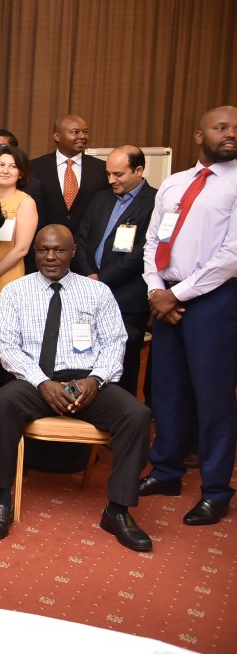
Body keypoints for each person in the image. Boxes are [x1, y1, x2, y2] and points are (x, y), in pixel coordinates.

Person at [0, 225, 153, 550]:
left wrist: (96, 380)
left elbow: (115, 342)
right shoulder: (16, 292)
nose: (50, 256)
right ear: (34, 252)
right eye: (43, 250)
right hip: (34, 380)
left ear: (73, 252)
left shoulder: (97, 293)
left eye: (58, 250)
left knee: (137, 414)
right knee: (3, 403)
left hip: (85, 382)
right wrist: (42, 382)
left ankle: (118, 511)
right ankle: (2, 499)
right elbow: (6, 347)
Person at [138, 106, 237, 526]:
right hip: (167, 298)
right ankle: (166, 471)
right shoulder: (175, 184)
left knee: (213, 399)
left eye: (235, 129)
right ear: (200, 135)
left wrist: (174, 294)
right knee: (166, 391)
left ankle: (216, 489)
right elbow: (151, 242)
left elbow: (231, 256)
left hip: (214, 301)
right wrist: (156, 289)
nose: (230, 134)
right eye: (222, 127)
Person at [73, 145, 157, 393]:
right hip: (91, 289)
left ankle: (124, 413)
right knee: (88, 352)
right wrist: (90, 276)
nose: (111, 180)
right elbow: (82, 239)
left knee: (125, 359)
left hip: (127, 296)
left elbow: (144, 251)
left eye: (118, 174)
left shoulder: (154, 201)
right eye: (108, 174)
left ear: (139, 170)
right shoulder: (101, 198)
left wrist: (103, 279)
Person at [32, 115, 108, 234]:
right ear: (57, 136)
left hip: (87, 243)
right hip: (47, 242)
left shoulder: (102, 168)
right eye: (75, 132)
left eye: (85, 132)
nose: (82, 136)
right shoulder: (35, 167)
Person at [0, 146, 39, 311]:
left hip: (6, 274)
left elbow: (21, 249)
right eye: (1, 165)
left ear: (21, 173)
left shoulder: (25, 202)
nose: (5, 170)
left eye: (13, 166)